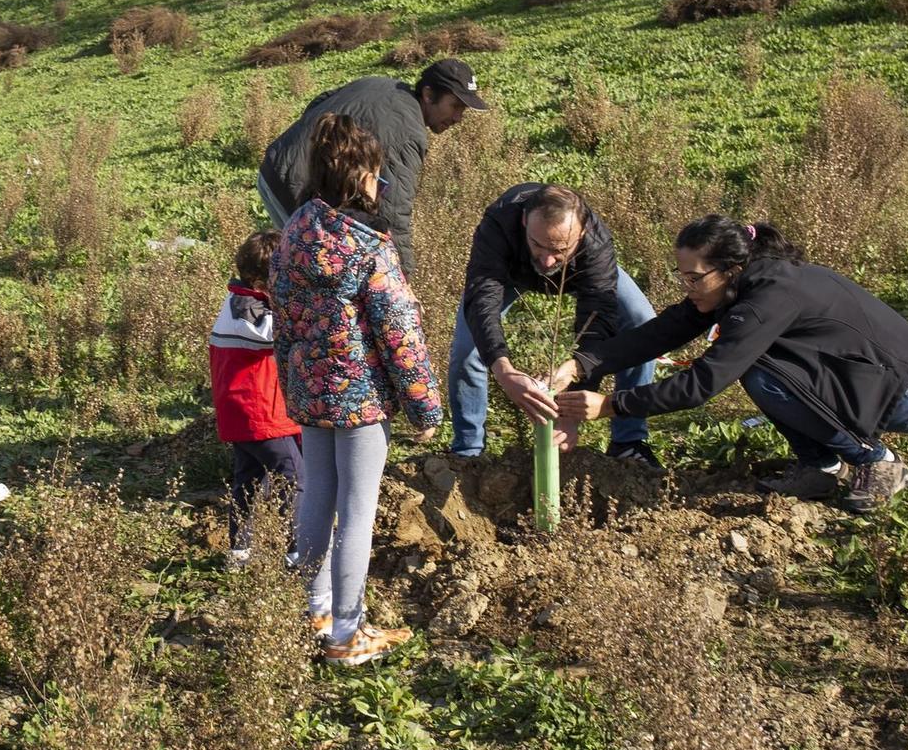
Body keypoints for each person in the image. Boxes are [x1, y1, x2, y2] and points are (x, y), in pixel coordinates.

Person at [550, 215, 908, 514]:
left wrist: (611, 406)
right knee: (766, 367)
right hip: (878, 380)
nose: (687, 288)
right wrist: (581, 365)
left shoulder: (768, 298)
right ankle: (821, 468)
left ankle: (877, 462)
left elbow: (704, 383)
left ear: (730, 270)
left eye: (694, 279)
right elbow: (664, 331)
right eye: (682, 277)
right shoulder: (746, 283)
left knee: (762, 370)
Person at [274, 114, 442, 666]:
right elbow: (400, 332)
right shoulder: (368, 247)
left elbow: (284, 316)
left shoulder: (295, 231)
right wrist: (425, 407)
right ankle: (347, 636)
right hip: (361, 399)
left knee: (318, 494)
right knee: (359, 511)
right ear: (362, 176)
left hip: (309, 391)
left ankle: (316, 608)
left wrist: (292, 380)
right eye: (377, 174)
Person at [448, 184, 661, 466]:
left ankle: (628, 441)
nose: (547, 260)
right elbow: (483, 301)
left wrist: (570, 407)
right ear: (524, 221)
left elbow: (596, 322)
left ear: (581, 234)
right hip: (510, 275)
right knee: (468, 348)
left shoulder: (595, 244)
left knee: (641, 323)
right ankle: (468, 451)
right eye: (537, 244)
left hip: (579, 275)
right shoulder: (498, 225)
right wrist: (503, 370)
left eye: (559, 249)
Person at [258, 58, 488, 280]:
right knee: (324, 274)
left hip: (274, 165)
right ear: (428, 94)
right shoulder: (407, 132)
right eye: (455, 105)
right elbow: (395, 210)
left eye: (463, 109)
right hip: (295, 185)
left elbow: (321, 102)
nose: (459, 117)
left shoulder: (382, 84)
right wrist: (401, 276)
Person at [209, 229, 300, 570]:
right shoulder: (249, 310)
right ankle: (299, 551)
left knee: (247, 479)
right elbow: (275, 336)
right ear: (268, 280)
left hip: (240, 413)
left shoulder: (238, 301)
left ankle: (240, 550)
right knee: (294, 477)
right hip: (261, 414)